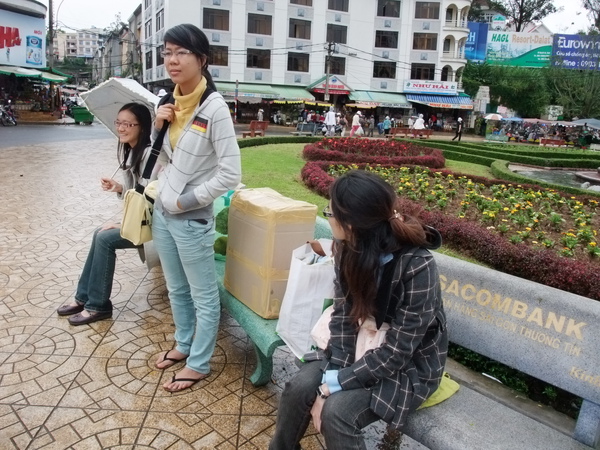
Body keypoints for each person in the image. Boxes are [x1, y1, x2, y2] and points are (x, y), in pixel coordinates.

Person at [270, 170, 447, 450]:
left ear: (351, 224)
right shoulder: (347, 248)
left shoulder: (417, 265)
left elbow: (399, 351)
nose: (328, 216)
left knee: (337, 413)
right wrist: (335, 372)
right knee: (298, 389)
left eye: (330, 211)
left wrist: (335, 384)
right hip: (357, 345)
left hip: (406, 364)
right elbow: (342, 315)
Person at [152, 23, 242, 392]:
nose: (172, 60)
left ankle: (200, 362)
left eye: (181, 52)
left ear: (202, 59)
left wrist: (185, 201)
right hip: (162, 214)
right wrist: (159, 125)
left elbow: (231, 173)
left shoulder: (214, 108)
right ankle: (184, 343)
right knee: (176, 289)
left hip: (190, 219)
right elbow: (160, 162)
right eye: (167, 52)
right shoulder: (168, 101)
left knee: (203, 295)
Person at [56, 103, 155, 325]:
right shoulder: (132, 153)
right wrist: (119, 188)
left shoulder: (149, 155)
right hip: (140, 221)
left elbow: (150, 201)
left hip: (154, 228)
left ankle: (98, 306)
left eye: (128, 124)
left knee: (104, 239)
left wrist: (123, 224)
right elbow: (135, 197)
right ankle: (83, 298)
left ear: (142, 127)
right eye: (119, 122)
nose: (121, 128)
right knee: (99, 232)